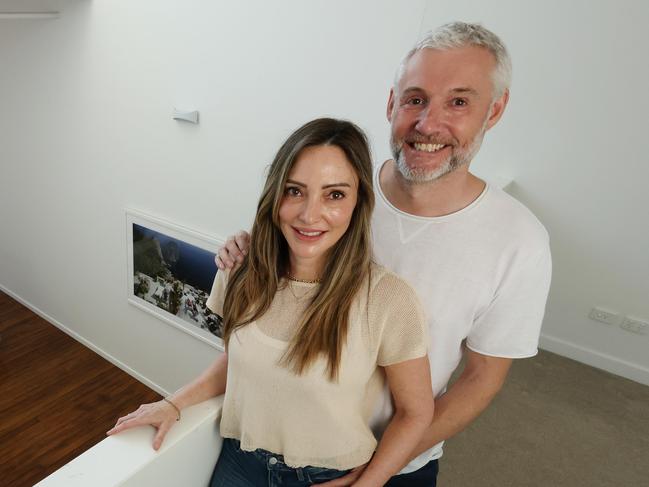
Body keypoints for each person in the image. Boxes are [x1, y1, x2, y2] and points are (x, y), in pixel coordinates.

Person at [216, 22, 552, 486]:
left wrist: (375, 471)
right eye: (415, 99)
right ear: (392, 103)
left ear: (494, 110)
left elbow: (481, 379)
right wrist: (249, 245)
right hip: (284, 448)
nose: (428, 124)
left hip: (402, 464)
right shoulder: (338, 193)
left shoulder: (521, 242)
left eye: (458, 102)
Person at [108, 118, 435, 487]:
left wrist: (367, 484)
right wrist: (174, 403)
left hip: (329, 477)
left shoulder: (389, 298)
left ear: (358, 203)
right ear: (275, 194)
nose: (310, 214)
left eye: (335, 194)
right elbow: (238, 360)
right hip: (240, 463)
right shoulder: (241, 269)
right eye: (295, 191)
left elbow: (416, 412)